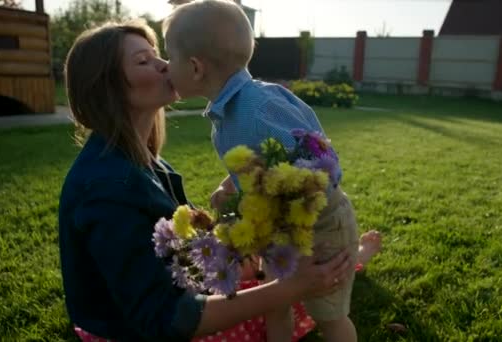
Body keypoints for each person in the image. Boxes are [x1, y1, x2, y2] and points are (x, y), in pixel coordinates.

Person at [58, 20, 355, 342]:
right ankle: (352, 259)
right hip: (135, 333)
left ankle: (351, 258)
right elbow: (167, 319)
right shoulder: (106, 189)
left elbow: (176, 259)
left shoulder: (143, 160)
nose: (165, 66)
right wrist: (291, 289)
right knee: (293, 293)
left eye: (159, 55)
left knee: (269, 268)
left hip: (180, 290)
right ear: (107, 87)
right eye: (144, 61)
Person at [162, 1, 381, 341]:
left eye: (168, 57)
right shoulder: (228, 113)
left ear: (194, 68)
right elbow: (263, 161)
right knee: (275, 304)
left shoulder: (260, 108)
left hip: (319, 225)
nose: (165, 66)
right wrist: (232, 186)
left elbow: (321, 168)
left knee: (330, 317)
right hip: (280, 230)